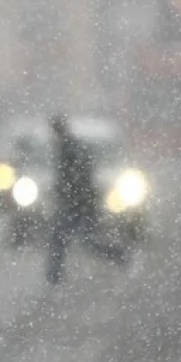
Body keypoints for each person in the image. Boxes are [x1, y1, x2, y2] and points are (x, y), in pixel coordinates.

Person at [44, 113, 123, 285]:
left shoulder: (71, 149)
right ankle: (53, 278)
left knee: (80, 241)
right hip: (77, 204)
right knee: (68, 240)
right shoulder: (67, 148)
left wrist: (70, 195)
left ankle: (120, 255)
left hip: (79, 205)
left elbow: (78, 178)